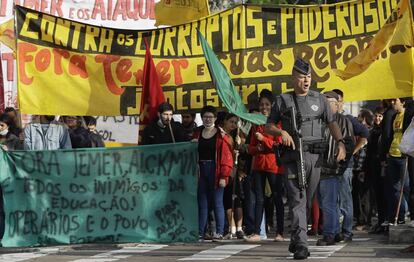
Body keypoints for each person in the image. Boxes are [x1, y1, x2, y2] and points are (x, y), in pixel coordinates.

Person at [265, 58, 346, 260]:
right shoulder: (283, 100)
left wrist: (341, 143)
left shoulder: (319, 99)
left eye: (309, 77)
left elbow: (331, 123)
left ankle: (296, 236)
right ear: (294, 78)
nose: (306, 80)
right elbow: (268, 126)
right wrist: (280, 133)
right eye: (302, 77)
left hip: (315, 158)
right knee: (297, 200)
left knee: (307, 200)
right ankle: (302, 244)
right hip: (293, 157)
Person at [244, 89, 285, 242]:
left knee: (277, 198)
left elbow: (279, 144)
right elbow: (250, 148)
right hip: (258, 166)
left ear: (272, 105)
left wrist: (264, 140)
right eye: (261, 104)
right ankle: (257, 232)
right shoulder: (256, 123)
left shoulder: (277, 123)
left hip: (274, 166)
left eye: (267, 104)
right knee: (259, 199)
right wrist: (257, 148)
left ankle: (280, 232)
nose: (263, 107)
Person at [316, 91, 355, 246]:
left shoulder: (342, 121)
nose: (323, 105)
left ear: (336, 103)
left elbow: (349, 144)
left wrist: (340, 165)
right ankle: (336, 232)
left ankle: (330, 234)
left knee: (330, 203)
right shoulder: (320, 120)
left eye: (327, 102)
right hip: (320, 168)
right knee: (325, 202)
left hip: (332, 168)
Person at [332, 89, 369, 242]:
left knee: (345, 199)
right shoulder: (325, 119)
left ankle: (346, 231)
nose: (334, 104)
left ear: (341, 102)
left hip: (345, 166)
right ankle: (336, 230)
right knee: (332, 200)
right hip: (329, 165)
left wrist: (353, 150)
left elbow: (365, 133)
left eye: (336, 100)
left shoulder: (348, 119)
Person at [193, 106, 233, 241]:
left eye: (210, 117)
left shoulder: (221, 136)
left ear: (215, 119)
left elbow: (227, 158)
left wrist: (224, 176)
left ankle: (220, 232)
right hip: (201, 170)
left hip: (216, 169)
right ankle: (201, 232)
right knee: (202, 202)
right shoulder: (197, 133)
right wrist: (192, 145)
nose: (207, 119)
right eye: (205, 117)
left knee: (217, 202)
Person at [221, 113, 245, 239]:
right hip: (225, 170)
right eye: (231, 121)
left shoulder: (238, 135)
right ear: (225, 121)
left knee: (238, 199)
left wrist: (239, 145)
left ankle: (240, 228)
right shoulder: (220, 135)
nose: (233, 125)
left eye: (235, 122)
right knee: (227, 200)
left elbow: (243, 154)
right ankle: (232, 227)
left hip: (236, 171)